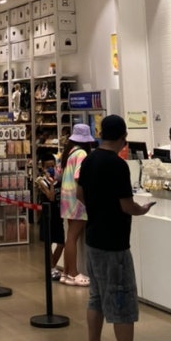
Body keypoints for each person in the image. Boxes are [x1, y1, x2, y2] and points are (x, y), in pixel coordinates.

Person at [77, 113, 158, 341]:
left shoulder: (88, 160)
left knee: (97, 296)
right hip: (114, 243)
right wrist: (142, 209)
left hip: (93, 238)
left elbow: (79, 193)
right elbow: (126, 205)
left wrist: (98, 207)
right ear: (123, 138)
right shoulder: (118, 166)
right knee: (122, 300)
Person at [60, 122, 97, 286]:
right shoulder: (81, 153)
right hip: (77, 199)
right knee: (73, 237)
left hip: (67, 198)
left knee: (70, 236)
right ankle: (73, 273)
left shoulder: (69, 152)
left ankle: (66, 273)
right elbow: (79, 177)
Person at [36, 153, 65, 279]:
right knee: (48, 243)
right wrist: (52, 184)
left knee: (61, 242)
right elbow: (51, 197)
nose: (51, 169)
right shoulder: (41, 181)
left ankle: (52, 266)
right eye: (48, 167)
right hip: (47, 216)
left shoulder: (60, 179)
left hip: (58, 215)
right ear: (43, 168)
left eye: (53, 166)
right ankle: (52, 268)